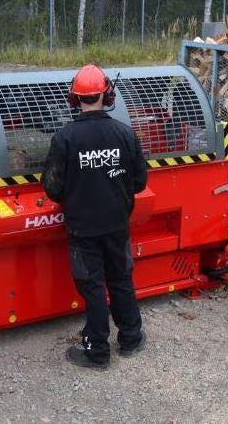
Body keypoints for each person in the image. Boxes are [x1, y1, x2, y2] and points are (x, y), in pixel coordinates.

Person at [42, 64, 148, 370]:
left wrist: (79, 192)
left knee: (93, 287)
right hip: (117, 224)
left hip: (83, 229)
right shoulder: (125, 133)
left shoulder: (65, 138)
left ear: (75, 98)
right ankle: (131, 338)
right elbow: (140, 182)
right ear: (106, 94)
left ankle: (97, 351)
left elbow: (52, 187)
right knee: (121, 280)